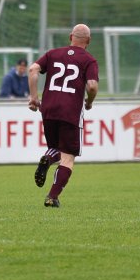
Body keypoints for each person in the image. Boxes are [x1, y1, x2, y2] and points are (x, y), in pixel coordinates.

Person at [27, 24, 99, 208]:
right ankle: (52, 197)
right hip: (70, 112)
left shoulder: (53, 53)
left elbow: (33, 69)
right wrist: (89, 102)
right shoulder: (89, 60)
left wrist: (34, 97)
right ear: (88, 41)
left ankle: (47, 159)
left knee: (55, 148)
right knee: (68, 157)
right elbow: (92, 86)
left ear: (70, 37)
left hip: (49, 109)